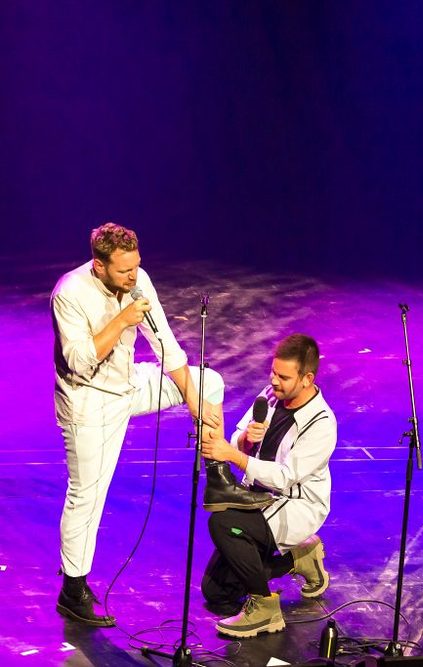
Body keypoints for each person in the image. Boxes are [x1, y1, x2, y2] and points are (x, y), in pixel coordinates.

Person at [51, 223, 272, 627]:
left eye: (136, 266)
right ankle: (73, 589)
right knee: (87, 495)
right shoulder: (70, 293)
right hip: (89, 401)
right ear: (99, 266)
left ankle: (218, 476)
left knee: (208, 383)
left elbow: (165, 344)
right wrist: (121, 320)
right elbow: (79, 361)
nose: (133, 276)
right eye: (124, 270)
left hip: (128, 384)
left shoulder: (138, 281)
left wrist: (193, 398)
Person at [200, 333, 337, 638]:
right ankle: (297, 558)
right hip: (258, 494)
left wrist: (234, 455)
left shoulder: (321, 423)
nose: (274, 380)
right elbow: (239, 438)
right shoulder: (270, 396)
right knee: (217, 592)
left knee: (224, 523)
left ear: (307, 379)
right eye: (273, 372)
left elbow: (286, 477)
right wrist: (246, 440)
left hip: (294, 504)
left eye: (283, 377)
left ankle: (265, 607)